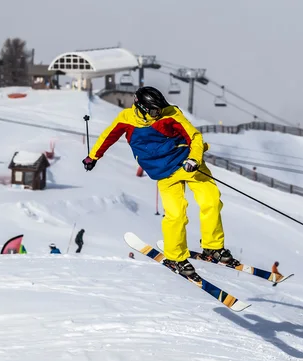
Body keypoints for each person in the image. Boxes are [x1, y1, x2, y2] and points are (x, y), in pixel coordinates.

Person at [82, 86, 239, 277]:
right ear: (140, 107)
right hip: (164, 171)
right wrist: (93, 156)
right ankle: (176, 257)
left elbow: (195, 137)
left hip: (188, 162)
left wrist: (194, 159)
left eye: (160, 109)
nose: (159, 114)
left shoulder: (170, 114)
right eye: (155, 110)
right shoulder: (126, 119)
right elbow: (108, 136)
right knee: (176, 214)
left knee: (211, 201)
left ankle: (212, 247)